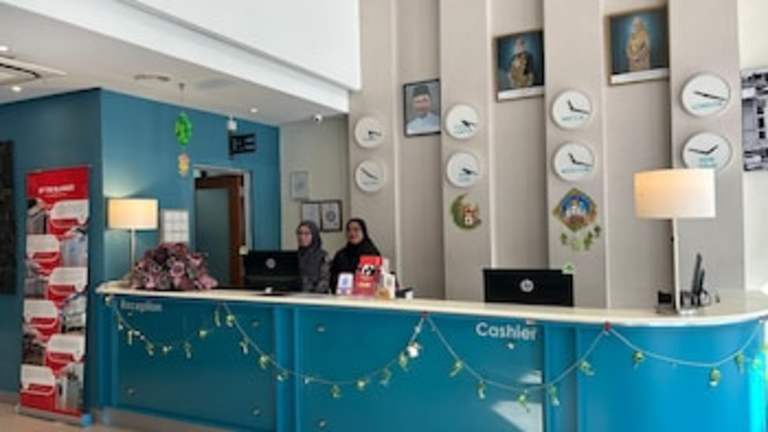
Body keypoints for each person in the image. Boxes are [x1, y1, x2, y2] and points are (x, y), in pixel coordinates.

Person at [330, 218, 381, 291]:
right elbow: (333, 277)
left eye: (356, 229)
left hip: (365, 295)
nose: (352, 233)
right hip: (342, 294)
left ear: (363, 232)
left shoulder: (370, 254)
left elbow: (368, 279)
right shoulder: (341, 255)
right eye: (349, 230)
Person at [296, 221, 331, 293]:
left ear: (314, 235)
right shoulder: (295, 256)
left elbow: (325, 281)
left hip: (316, 297)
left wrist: (311, 294)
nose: (302, 237)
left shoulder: (323, 256)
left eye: (306, 234)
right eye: (299, 233)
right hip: (294, 295)